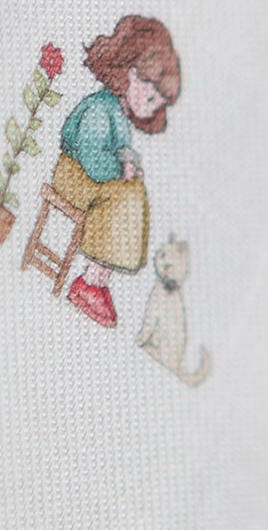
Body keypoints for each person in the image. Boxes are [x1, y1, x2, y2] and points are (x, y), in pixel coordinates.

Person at [54, 17, 182, 328]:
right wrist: (119, 169)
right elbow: (91, 158)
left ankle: (99, 279)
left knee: (134, 193)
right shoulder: (102, 109)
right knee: (124, 199)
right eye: (150, 98)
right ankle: (90, 282)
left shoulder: (120, 116)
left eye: (157, 105)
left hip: (91, 181)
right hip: (74, 176)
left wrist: (128, 168)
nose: (150, 110)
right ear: (131, 73)